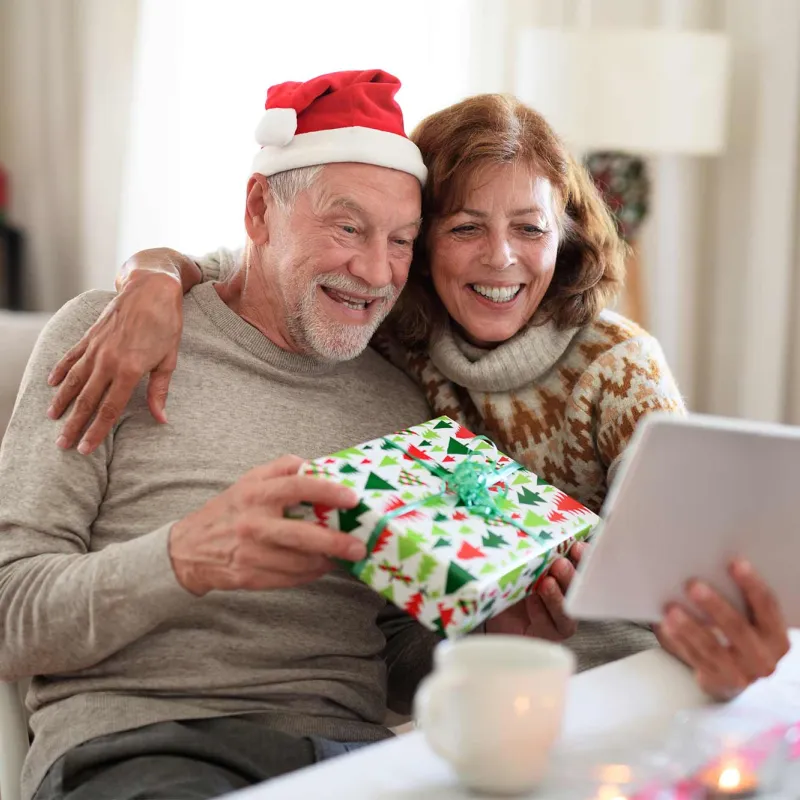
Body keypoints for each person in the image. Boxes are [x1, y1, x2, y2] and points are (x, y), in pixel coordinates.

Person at [47, 91, 792, 703]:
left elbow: (691, 566)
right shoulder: (389, 336)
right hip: (492, 690)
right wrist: (152, 271)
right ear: (426, 242)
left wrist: (720, 647)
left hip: (633, 673)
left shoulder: (619, 364)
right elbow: (255, 266)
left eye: (528, 228)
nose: (501, 259)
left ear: (562, 237)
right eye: (466, 227)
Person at [2, 69, 485, 800]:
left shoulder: (402, 404)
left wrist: (496, 629)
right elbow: (12, 615)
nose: (376, 272)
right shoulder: (111, 339)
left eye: (402, 241)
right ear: (260, 209)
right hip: (152, 747)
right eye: (347, 228)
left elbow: (397, 657)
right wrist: (184, 557)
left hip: (357, 763)